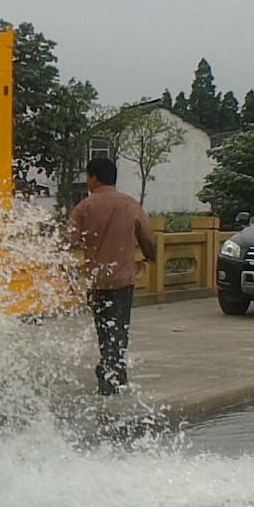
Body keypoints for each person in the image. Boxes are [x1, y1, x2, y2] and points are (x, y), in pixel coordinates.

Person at [68, 156, 157, 395]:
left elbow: (69, 240)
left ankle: (110, 370)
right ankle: (112, 372)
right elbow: (147, 238)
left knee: (104, 329)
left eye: (88, 176)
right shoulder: (130, 205)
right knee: (119, 329)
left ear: (94, 178)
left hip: (96, 281)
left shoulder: (84, 207)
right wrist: (151, 257)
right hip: (122, 280)